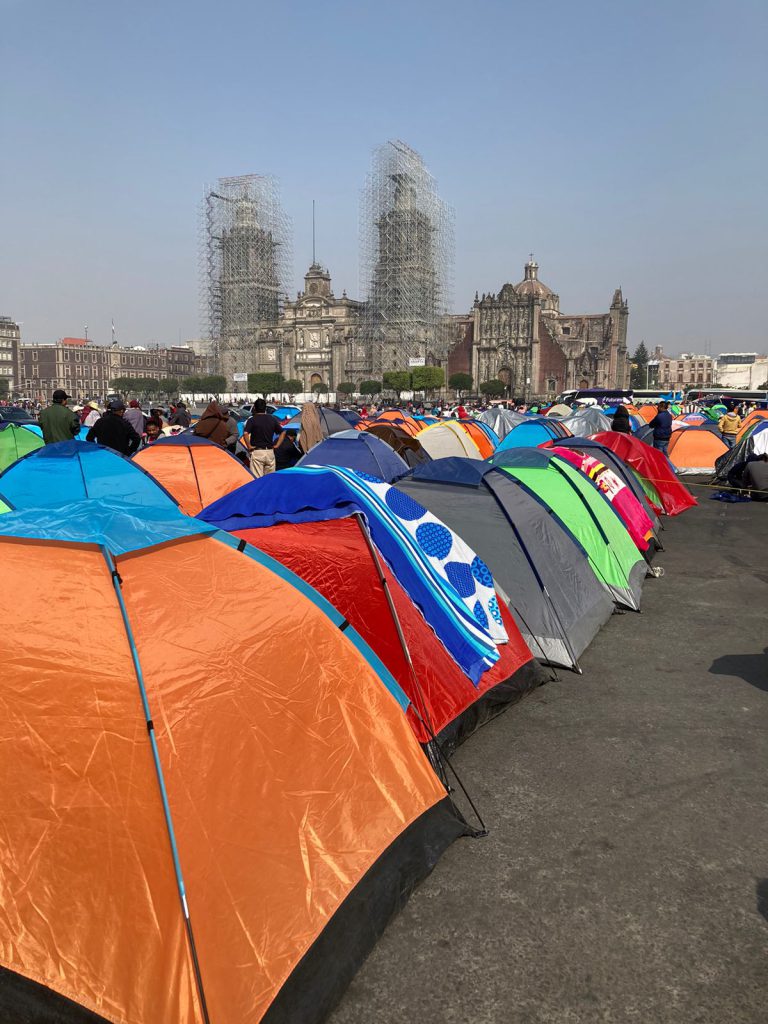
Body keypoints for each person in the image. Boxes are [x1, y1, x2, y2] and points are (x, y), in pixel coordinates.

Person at [243, 398, 284, 477]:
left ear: (254, 408)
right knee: (270, 479)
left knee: (257, 478)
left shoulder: (252, 420)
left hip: (257, 451)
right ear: (265, 408)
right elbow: (283, 432)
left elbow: (245, 433)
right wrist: (277, 445)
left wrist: (249, 446)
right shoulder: (272, 419)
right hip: (269, 451)